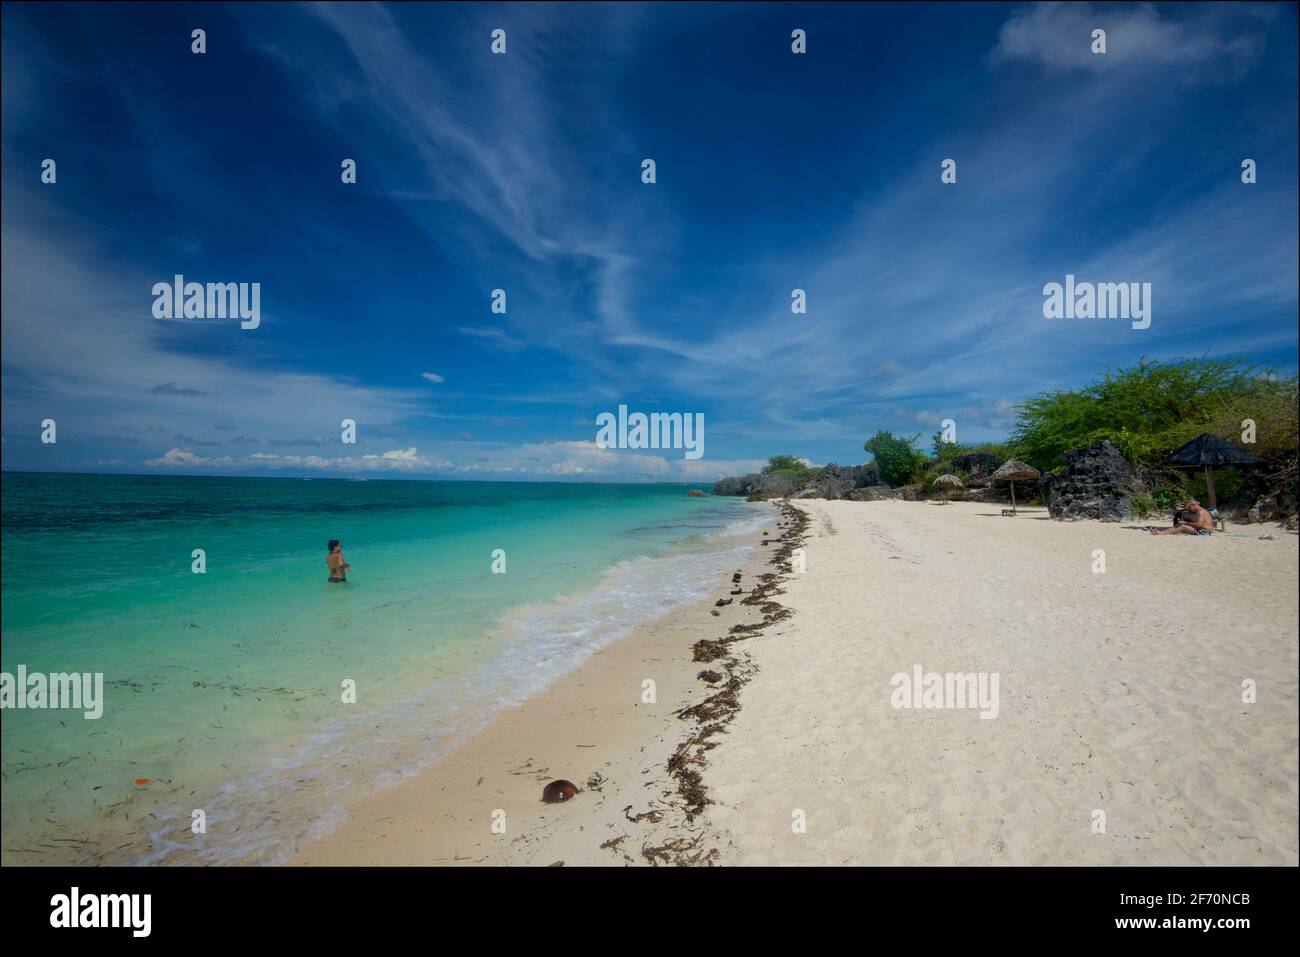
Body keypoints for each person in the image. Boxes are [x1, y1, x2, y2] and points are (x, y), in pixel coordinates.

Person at [1147, 500, 1215, 536]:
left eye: (1189, 507)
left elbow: (1199, 524)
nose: (1189, 509)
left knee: (1183, 526)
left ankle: (1163, 534)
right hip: (1200, 529)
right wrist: (1187, 521)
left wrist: (1185, 522)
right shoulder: (1198, 511)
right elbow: (1197, 522)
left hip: (1205, 532)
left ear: (1194, 505)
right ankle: (1162, 532)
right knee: (1180, 524)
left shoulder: (1201, 512)